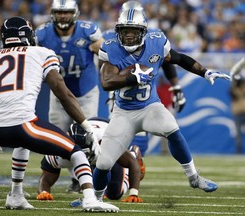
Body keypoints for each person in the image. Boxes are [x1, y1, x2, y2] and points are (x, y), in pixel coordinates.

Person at [0, 16, 119, 212]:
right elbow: (63, 92)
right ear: (27, 35)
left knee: (22, 143)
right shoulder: (41, 53)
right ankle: (90, 199)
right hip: (23, 125)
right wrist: (86, 126)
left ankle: (15, 195)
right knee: (76, 152)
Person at [93, 8, 230, 203]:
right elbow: (106, 82)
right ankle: (94, 199)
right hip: (123, 112)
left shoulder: (156, 42)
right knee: (104, 162)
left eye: (134, 31)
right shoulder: (111, 47)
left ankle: (194, 177)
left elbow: (180, 58)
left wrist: (205, 72)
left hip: (150, 107)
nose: (129, 36)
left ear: (144, 32)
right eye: (125, 31)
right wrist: (133, 77)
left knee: (172, 128)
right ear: (118, 31)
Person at [35, 0, 104, 193]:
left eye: (66, 13)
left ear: (74, 13)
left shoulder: (88, 31)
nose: (63, 16)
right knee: (57, 138)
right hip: (58, 95)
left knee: (86, 137)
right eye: (59, 12)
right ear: (53, 13)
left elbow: (105, 52)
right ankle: (53, 178)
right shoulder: (42, 34)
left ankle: (81, 179)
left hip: (86, 92)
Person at [102, 1, 186, 156]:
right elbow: (104, 69)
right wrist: (117, 81)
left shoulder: (153, 36)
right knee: (116, 135)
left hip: (143, 88)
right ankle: (122, 169)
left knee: (140, 136)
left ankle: (133, 162)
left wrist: (176, 86)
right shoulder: (108, 38)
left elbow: (168, 62)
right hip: (118, 91)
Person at [36, 117, 145, 204]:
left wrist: (133, 193)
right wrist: (44, 192)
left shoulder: (105, 142)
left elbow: (132, 163)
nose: (83, 157)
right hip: (92, 136)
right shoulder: (58, 150)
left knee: (114, 193)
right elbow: (45, 179)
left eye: (85, 153)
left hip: (106, 131)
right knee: (96, 182)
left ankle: (133, 151)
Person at [229, 57, 245, 153]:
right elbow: (233, 93)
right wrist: (235, 83)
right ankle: (238, 150)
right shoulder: (234, 90)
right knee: (238, 133)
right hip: (238, 112)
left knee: (238, 133)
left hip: (241, 111)